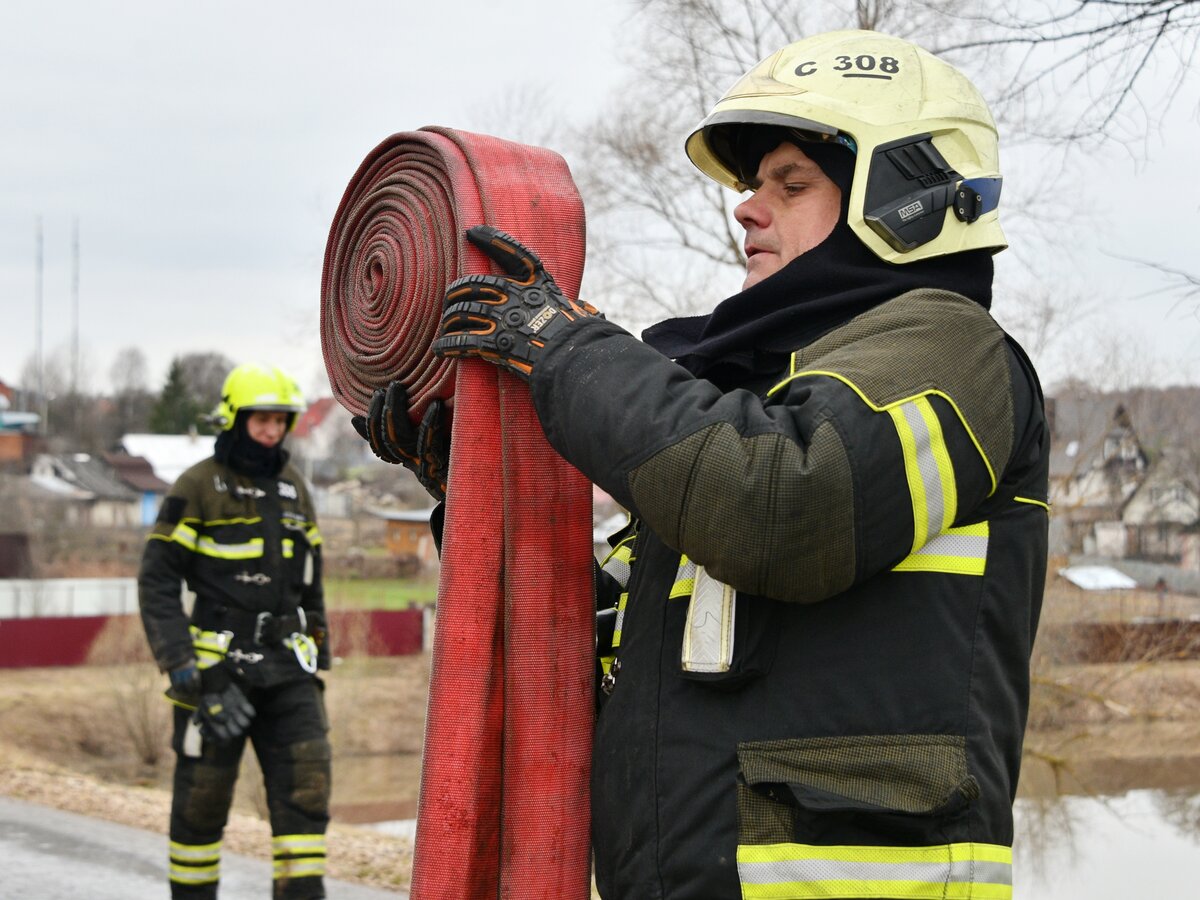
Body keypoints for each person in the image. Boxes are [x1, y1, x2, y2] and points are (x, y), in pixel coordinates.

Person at [362, 29, 1049, 900]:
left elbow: (785, 509)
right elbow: (590, 645)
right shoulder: (756, 406)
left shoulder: (953, 351)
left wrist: (567, 352)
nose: (747, 208)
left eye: (790, 184)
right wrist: (473, 500)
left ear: (906, 198)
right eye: (754, 184)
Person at [139, 362, 332, 900]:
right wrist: (182, 666)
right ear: (234, 418)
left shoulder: (294, 487)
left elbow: (311, 584)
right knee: (200, 807)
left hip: (289, 672)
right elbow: (157, 579)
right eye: (261, 419)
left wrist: (319, 660)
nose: (272, 429)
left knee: (308, 793)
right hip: (213, 674)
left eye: (280, 419)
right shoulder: (197, 485)